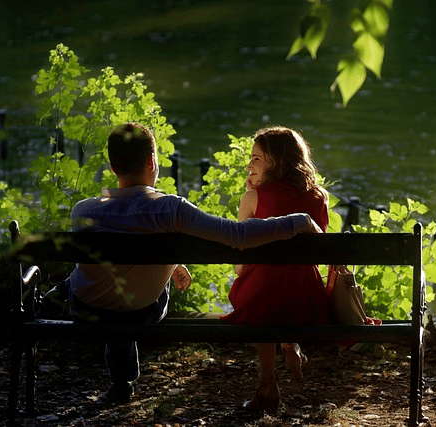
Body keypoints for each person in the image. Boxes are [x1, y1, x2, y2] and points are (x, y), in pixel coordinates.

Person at [62, 123, 322, 404]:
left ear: (113, 168)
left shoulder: (83, 210)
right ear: (152, 162)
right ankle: (122, 377)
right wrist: (299, 220)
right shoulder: (169, 209)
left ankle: (121, 381)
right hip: (141, 310)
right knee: (127, 297)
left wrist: (171, 263)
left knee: (110, 287)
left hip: (86, 310)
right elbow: (238, 236)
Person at [221, 125, 330, 413]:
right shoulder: (319, 197)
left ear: (278, 161)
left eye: (256, 158)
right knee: (284, 282)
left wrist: (252, 196)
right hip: (306, 300)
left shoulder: (252, 199)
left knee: (259, 289)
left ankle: (268, 383)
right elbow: (315, 254)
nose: (249, 165)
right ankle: (290, 344)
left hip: (264, 300)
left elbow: (241, 267)